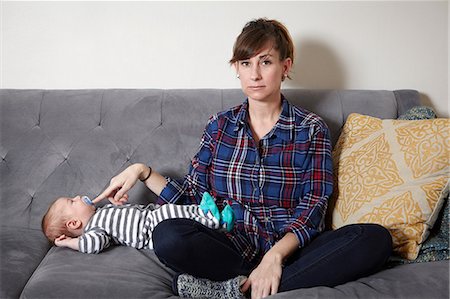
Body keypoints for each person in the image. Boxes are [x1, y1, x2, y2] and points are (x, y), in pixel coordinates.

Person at [94, 18, 392, 299]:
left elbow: (314, 204)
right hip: (229, 246)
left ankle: (237, 288)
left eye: (266, 62)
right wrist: (143, 171)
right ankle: (258, 281)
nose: (255, 74)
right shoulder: (219, 126)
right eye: (246, 63)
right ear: (236, 68)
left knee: (375, 239)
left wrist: (275, 256)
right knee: (168, 235)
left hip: (293, 251)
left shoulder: (311, 129)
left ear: (285, 66)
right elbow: (194, 199)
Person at [41, 192, 235, 253]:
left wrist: (117, 204)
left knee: (175, 210)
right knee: (172, 213)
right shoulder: (94, 230)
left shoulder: (101, 211)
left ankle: (206, 212)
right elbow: (92, 244)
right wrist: (67, 242)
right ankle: (216, 223)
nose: (77, 196)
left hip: (152, 214)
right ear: (74, 224)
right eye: (72, 201)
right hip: (150, 230)